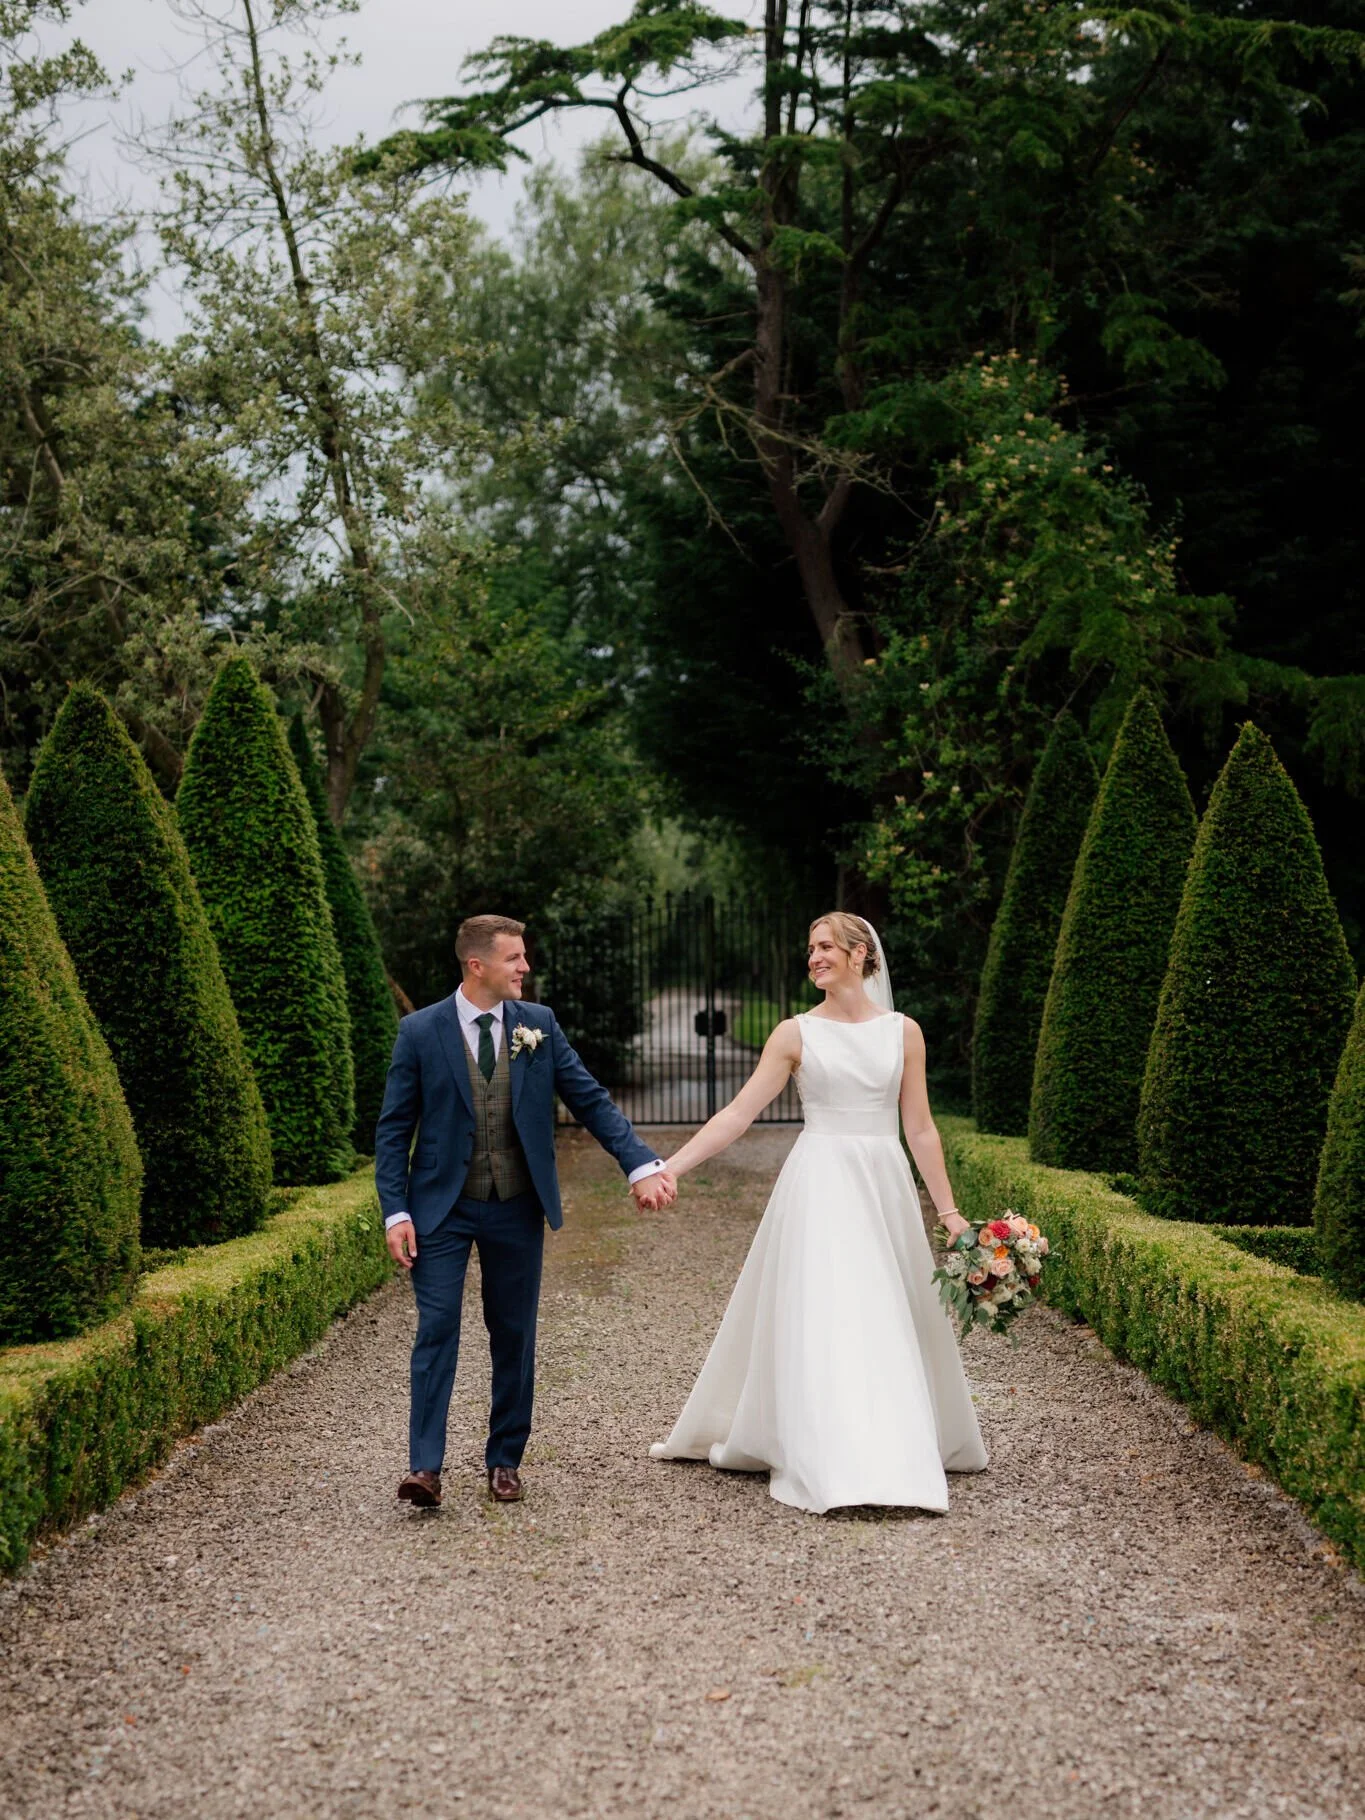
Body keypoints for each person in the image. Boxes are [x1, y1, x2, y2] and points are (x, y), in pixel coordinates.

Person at [650, 913, 988, 1514]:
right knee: (831, 1308)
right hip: (821, 1183)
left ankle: (893, 1441)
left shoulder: (903, 1033)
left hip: (883, 1183)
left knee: (886, 1307)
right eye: (810, 948)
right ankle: (829, 1447)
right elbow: (737, 1115)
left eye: (826, 946)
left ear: (861, 955)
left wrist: (951, 1212)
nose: (814, 957)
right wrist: (671, 1166)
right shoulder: (794, 1033)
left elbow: (920, 1127)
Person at [375, 914, 676, 1509]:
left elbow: (589, 1097)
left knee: (512, 1334)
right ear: (477, 965)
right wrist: (395, 1212)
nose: (525, 968)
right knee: (436, 1331)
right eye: (514, 958)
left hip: (515, 1205)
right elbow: (393, 1132)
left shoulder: (538, 1026)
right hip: (441, 1208)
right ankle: (425, 1469)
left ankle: (504, 1458)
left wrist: (639, 1163)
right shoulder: (419, 1032)